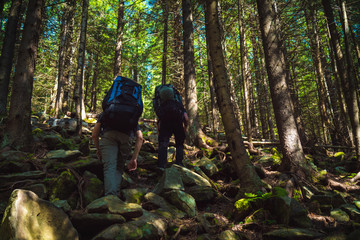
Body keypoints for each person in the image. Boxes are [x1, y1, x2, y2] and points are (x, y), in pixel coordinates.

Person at [92, 112, 143, 197]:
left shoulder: (107, 111)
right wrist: (134, 158)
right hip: (126, 137)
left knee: (109, 167)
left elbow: (94, 134)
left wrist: (98, 149)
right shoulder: (131, 113)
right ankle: (114, 195)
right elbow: (140, 137)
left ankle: (110, 197)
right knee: (119, 167)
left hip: (108, 136)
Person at [155, 86, 189, 169]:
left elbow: (159, 119)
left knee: (163, 144)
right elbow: (186, 118)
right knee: (179, 144)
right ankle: (179, 163)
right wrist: (185, 127)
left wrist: (158, 129)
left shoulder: (161, 106)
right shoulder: (178, 104)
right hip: (178, 125)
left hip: (165, 125)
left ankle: (161, 165)